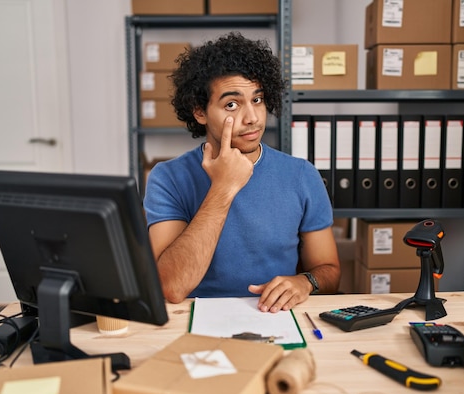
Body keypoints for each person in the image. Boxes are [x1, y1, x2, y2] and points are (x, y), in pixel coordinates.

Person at [144, 32, 340, 313]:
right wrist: (223, 188)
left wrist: (305, 282)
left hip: (275, 319)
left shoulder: (301, 175)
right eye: (232, 105)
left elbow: (329, 271)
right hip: (194, 320)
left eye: (257, 100)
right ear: (200, 112)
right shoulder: (168, 178)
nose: (252, 118)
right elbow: (171, 287)